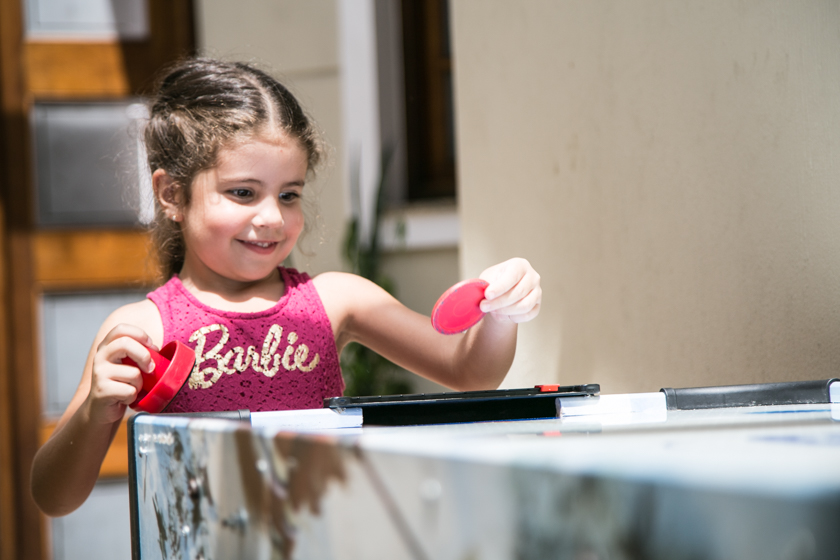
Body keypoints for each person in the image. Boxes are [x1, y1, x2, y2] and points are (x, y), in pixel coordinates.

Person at [30, 58, 542, 516]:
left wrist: (502, 310)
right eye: (243, 192)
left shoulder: (336, 300)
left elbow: (469, 371)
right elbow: (53, 496)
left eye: (290, 194)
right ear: (172, 194)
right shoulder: (140, 330)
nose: (272, 217)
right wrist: (98, 412)